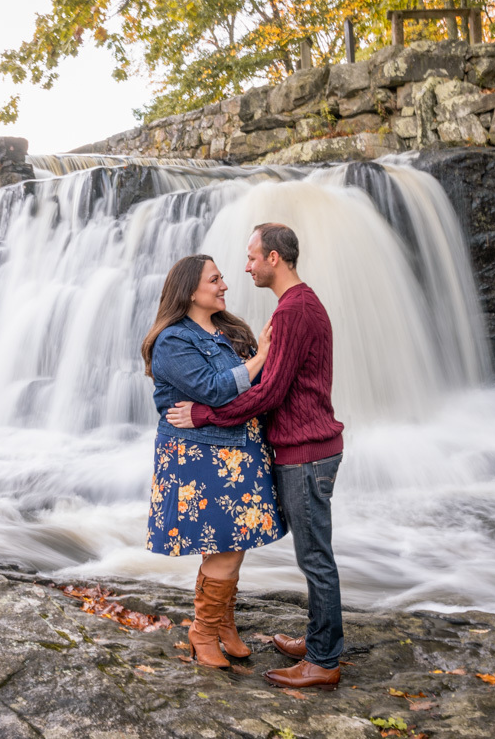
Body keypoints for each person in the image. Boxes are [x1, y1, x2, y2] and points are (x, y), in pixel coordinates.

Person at [167, 223, 345, 691]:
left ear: (273, 258)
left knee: (315, 559)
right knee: (312, 555)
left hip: (305, 451)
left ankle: (324, 659)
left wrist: (204, 414)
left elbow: (269, 394)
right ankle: (317, 639)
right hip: (298, 448)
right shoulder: (296, 306)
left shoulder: (292, 311)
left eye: (250, 258)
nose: (243, 269)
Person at [142, 254, 287, 669]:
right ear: (190, 290)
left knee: (234, 542)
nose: (225, 285)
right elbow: (215, 389)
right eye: (215, 279)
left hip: (242, 450)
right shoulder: (173, 340)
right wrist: (262, 357)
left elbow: (256, 388)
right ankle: (202, 631)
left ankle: (222, 624)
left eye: (222, 278)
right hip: (200, 456)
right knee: (222, 545)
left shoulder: (228, 330)